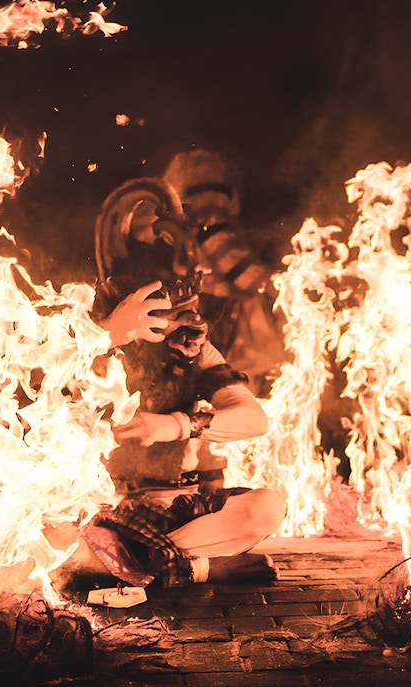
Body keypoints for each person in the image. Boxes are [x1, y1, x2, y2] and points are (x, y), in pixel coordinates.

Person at [77, 179, 287, 587]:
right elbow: (47, 399)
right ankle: (199, 568)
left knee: (267, 507)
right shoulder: (94, 347)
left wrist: (176, 425)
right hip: (110, 508)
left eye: (192, 310)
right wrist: (111, 334)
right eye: (174, 315)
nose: (191, 327)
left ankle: (145, 565)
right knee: (54, 536)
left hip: (179, 510)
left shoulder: (197, 353)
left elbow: (253, 420)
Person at [162, 149, 288, 397]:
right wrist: (291, 284)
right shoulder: (209, 219)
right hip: (219, 318)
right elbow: (244, 274)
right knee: (243, 381)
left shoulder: (193, 223)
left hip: (210, 315)